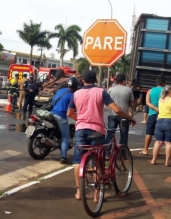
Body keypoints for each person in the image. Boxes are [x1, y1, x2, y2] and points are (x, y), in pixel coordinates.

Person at [67, 70, 136, 200]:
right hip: (97, 130)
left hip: (80, 129)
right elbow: (116, 109)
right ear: (95, 80)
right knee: (97, 162)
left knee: (78, 161)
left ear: (83, 80)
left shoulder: (76, 93)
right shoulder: (101, 92)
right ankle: (97, 195)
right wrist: (130, 117)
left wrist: (81, 120)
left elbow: (69, 113)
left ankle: (78, 192)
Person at [51, 77, 80, 164]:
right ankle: (63, 157)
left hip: (51, 113)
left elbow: (53, 101)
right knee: (66, 137)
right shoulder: (73, 95)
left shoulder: (60, 90)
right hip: (61, 116)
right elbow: (73, 109)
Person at [150, 85, 171, 166]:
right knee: (169, 143)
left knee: (158, 142)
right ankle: (167, 162)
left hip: (160, 121)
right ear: (170, 92)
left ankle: (153, 160)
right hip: (170, 121)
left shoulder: (161, 99)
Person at [106, 74, 135, 146]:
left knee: (110, 133)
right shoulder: (129, 90)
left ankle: (107, 152)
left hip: (112, 114)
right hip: (124, 116)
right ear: (124, 81)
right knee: (124, 134)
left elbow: (106, 102)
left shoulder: (110, 89)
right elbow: (132, 104)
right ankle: (123, 153)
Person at [140, 76, 166, 156]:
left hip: (152, 114)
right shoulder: (165, 91)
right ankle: (156, 151)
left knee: (149, 133)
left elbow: (147, 103)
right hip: (162, 115)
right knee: (160, 133)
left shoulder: (150, 91)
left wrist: (155, 108)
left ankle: (145, 150)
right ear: (163, 83)